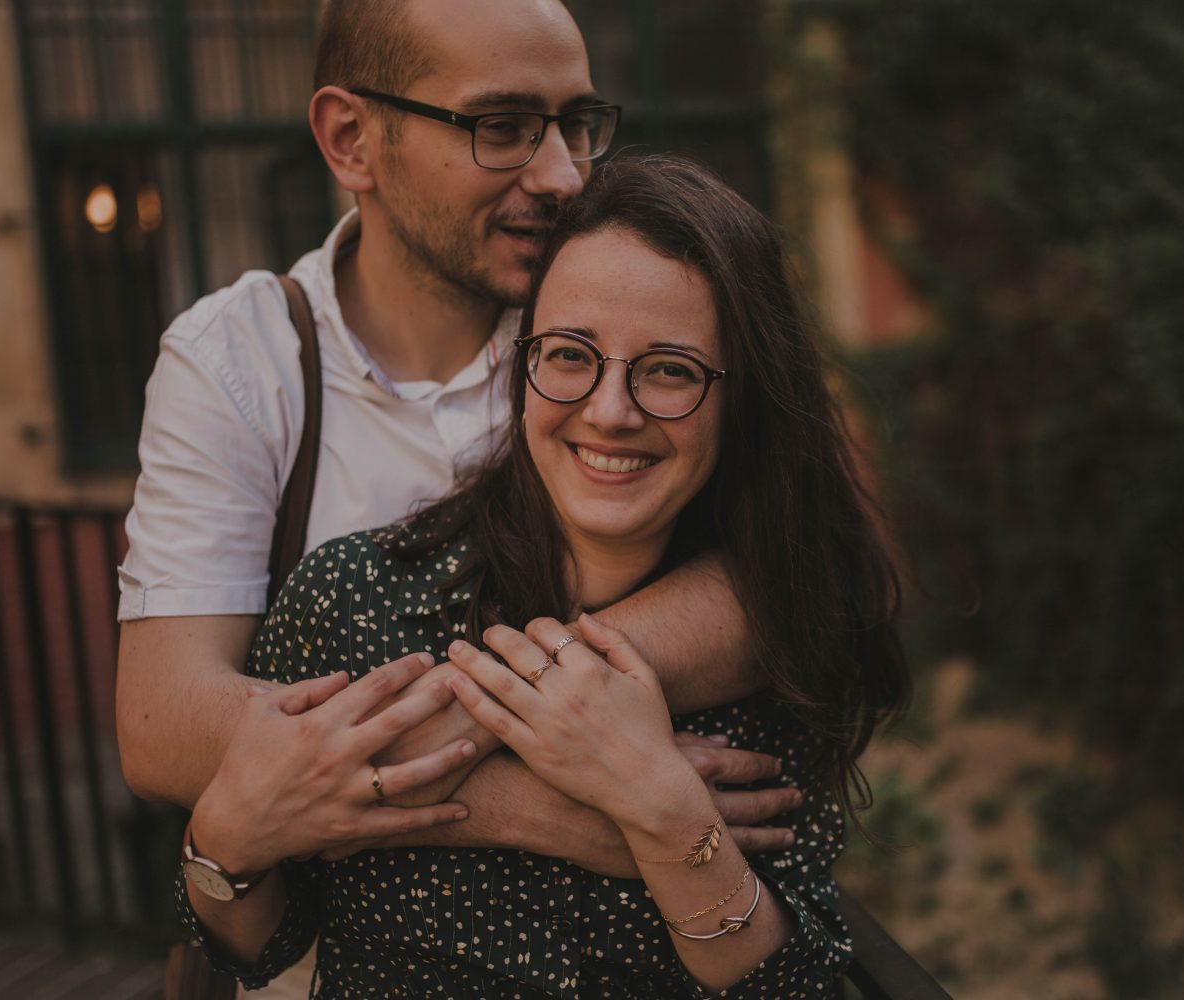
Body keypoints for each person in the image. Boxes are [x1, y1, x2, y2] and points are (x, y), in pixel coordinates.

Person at [116, 1, 794, 995]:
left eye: (574, 124)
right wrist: (555, 802)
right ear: (352, 138)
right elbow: (165, 724)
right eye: (503, 127)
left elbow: (806, 563)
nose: (563, 173)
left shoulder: (600, 330)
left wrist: (551, 720)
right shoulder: (239, 360)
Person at [178, 155, 911, 997]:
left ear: (740, 397)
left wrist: (661, 808)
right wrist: (224, 836)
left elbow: (797, 988)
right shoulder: (354, 599)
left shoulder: (778, 637)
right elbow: (253, 944)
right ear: (522, 364)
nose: (610, 410)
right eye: (569, 355)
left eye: (669, 370)